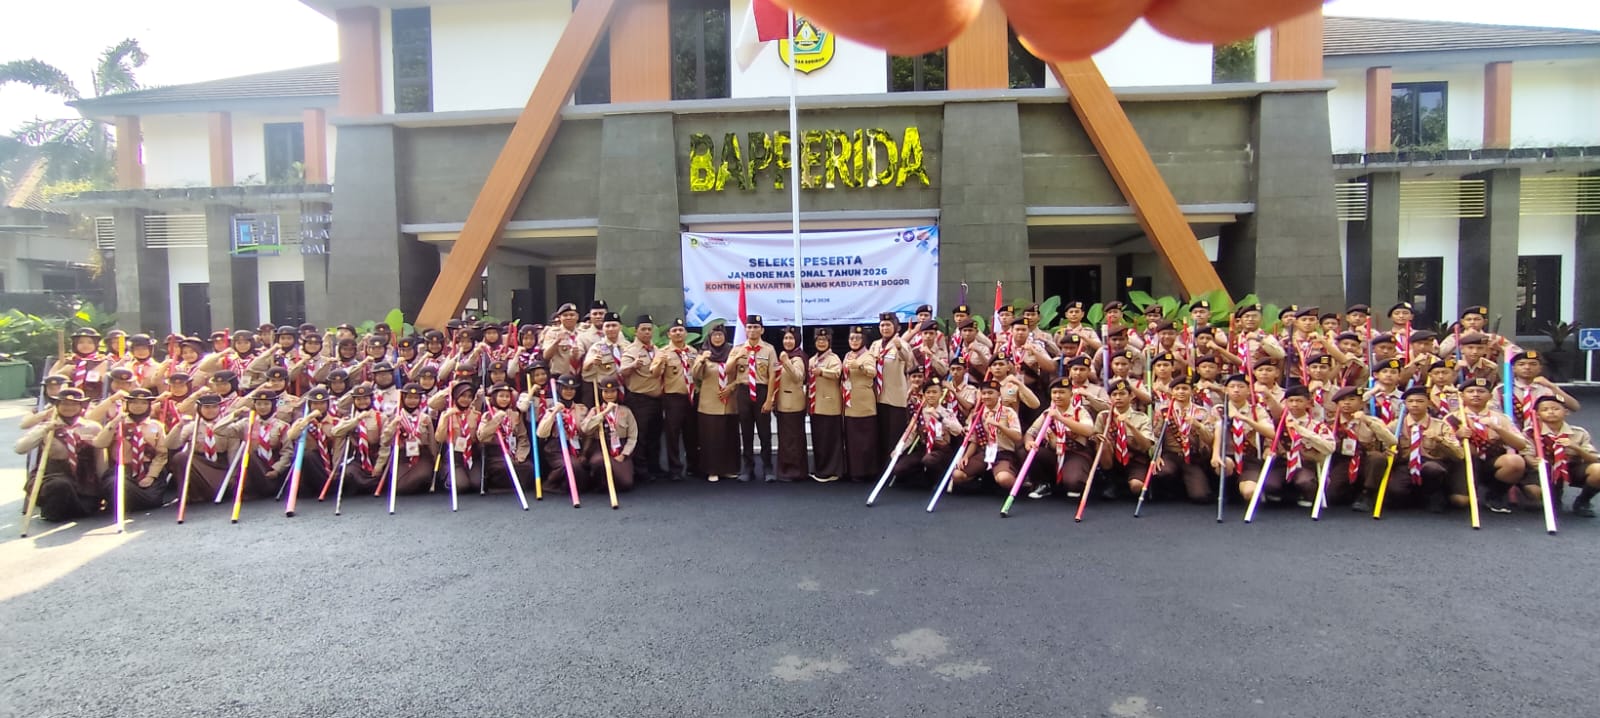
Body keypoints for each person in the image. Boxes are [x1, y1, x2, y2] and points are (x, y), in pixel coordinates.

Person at [14, 388, 105, 521]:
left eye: (74, 404)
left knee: (86, 509)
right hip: (52, 477)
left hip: (84, 481)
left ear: (81, 406)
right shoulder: (46, 427)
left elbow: (100, 459)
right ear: (57, 405)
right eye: (64, 404)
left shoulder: (92, 427)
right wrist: (44, 429)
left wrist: (102, 482)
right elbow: (20, 448)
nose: (69, 408)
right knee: (60, 485)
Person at [1453, 377, 1532, 514]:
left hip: (1493, 462)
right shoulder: (1452, 418)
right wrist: (1457, 436)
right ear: (1462, 396)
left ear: (1489, 396)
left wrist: (1498, 429)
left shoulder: (1501, 418)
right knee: (1461, 501)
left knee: (1515, 462)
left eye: (1481, 391)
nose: (1476, 394)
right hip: (1465, 463)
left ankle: (1495, 493)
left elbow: (1521, 445)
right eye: (1470, 391)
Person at [1380, 386, 1463, 513]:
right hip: (1405, 464)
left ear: (1428, 403)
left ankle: (1433, 494)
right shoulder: (1395, 426)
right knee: (1395, 492)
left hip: (1432, 463)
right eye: (1411, 401)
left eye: (1420, 401)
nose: (1415, 405)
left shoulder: (1441, 425)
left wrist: (1439, 440)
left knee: (1432, 470)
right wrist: (1388, 452)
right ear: (1405, 404)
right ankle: (1414, 496)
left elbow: (1459, 454)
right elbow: (1384, 447)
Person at [92, 387, 170, 513]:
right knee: (117, 484)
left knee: (152, 500)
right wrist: (115, 422)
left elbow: (162, 454)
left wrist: (151, 476)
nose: (138, 406)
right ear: (127, 404)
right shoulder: (118, 424)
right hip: (123, 469)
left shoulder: (156, 426)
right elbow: (99, 443)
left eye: (143, 403)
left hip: (147, 468)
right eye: (134, 402)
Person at [1024, 377, 1099, 499]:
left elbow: (1088, 430)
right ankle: (1043, 484)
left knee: (1074, 484)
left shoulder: (1079, 411)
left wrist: (1061, 418)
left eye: (1062, 392)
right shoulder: (1047, 413)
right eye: (1055, 393)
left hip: (1075, 453)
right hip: (1054, 453)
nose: (1058, 396)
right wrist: (1029, 442)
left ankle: (1075, 481)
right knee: (1032, 452)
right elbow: (1031, 432)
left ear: (1070, 394)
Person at [1526, 396, 1600, 517]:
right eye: (1545, 409)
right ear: (1537, 414)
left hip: (1571, 467)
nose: (1551, 412)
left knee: (1598, 470)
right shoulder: (1531, 433)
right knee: (1536, 493)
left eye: (1555, 408)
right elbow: (1527, 455)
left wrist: (1576, 447)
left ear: (1566, 412)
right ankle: (1551, 495)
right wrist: (1534, 461)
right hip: (1545, 469)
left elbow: (1594, 459)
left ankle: (1583, 501)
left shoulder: (1578, 432)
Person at [1261, 384, 1333, 509]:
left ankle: (1306, 495)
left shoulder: (1317, 426)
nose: (1294, 404)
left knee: (1305, 482)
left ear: (1308, 403)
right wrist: (1267, 451)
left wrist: (1302, 431)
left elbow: (1330, 447)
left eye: (1299, 401)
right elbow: (1269, 443)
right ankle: (1285, 494)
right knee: (1268, 484)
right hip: (1283, 463)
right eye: (1291, 401)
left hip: (1306, 464)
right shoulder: (1278, 425)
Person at [1149, 373, 1217, 503]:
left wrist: (1198, 426)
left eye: (1185, 388)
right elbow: (1155, 435)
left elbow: (1210, 439)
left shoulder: (1201, 412)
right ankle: (1173, 489)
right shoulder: (1163, 411)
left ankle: (1190, 484)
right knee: (1162, 472)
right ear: (1172, 392)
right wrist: (1156, 455)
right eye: (1177, 389)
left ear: (1191, 391)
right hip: (1171, 454)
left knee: (1200, 497)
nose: (1181, 391)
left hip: (1192, 457)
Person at [950, 378, 1023, 492]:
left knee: (1005, 480)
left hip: (1003, 453)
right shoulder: (977, 415)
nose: (986, 396)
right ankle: (982, 480)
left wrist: (999, 425)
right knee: (957, 475)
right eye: (984, 393)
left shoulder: (1008, 412)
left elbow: (1018, 436)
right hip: (985, 452)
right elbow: (974, 440)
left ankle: (1017, 485)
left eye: (990, 393)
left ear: (998, 394)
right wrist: (966, 456)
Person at [890, 377, 963, 489]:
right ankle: (924, 480)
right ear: (924, 395)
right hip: (924, 448)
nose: (931, 395)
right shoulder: (919, 413)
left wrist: (940, 418)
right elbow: (909, 434)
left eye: (934, 392)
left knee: (929, 460)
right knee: (899, 469)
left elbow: (958, 430)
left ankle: (938, 479)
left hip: (942, 450)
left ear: (940, 394)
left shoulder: (947, 412)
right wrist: (898, 449)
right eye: (928, 392)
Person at [730, 314, 779, 481]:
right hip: (743, 391)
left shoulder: (769, 349)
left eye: (756, 327)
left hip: (762, 391)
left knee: (765, 433)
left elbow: (772, 376)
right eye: (749, 327)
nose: (752, 330)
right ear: (745, 329)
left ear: (762, 330)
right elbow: (728, 370)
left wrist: (769, 399)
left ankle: (768, 468)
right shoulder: (737, 349)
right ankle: (748, 468)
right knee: (747, 431)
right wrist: (736, 357)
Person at [219, 390, 291, 500]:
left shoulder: (282, 426)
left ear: (273, 405)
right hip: (254, 470)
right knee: (249, 454)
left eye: (266, 404)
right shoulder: (246, 424)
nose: (262, 407)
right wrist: (234, 414)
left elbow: (287, 452)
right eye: (259, 404)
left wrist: (277, 470)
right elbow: (219, 430)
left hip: (274, 472)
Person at [620, 314, 666, 482]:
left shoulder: (657, 350)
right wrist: (633, 365)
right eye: (643, 329)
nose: (647, 332)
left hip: (657, 400)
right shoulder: (631, 350)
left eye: (649, 329)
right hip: (639, 400)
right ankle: (641, 470)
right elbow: (622, 371)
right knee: (640, 435)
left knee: (655, 435)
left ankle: (655, 467)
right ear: (636, 331)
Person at [692, 324, 739, 481]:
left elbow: (742, 375)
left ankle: (728, 468)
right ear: (709, 338)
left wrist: (731, 388)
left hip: (729, 402)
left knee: (728, 437)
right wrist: (702, 361)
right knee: (711, 438)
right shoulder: (703, 353)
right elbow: (696, 376)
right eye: (714, 335)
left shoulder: (733, 352)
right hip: (709, 404)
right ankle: (712, 470)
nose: (717, 338)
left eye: (720, 335)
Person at [1097, 378, 1155, 500]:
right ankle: (1110, 482)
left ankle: (1136, 483)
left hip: (1135, 460)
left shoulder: (1142, 418)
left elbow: (1146, 445)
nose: (1118, 397)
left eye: (1122, 394)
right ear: (1110, 398)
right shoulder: (1103, 416)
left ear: (1131, 396)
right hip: (1112, 461)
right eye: (1114, 394)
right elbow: (1094, 437)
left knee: (1136, 487)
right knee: (1103, 444)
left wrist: (1131, 426)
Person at [870, 312, 914, 466]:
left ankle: (893, 467)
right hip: (877, 396)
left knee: (894, 434)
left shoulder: (902, 343)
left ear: (895, 327)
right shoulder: (875, 344)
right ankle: (880, 466)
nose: (885, 328)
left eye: (888, 325)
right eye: (882, 325)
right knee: (879, 433)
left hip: (895, 398)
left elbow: (908, 359)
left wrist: (899, 347)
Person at [580, 377, 638, 493]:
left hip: (619, 447)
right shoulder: (595, 411)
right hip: (600, 446)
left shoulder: (625, 411)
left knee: (626, 483)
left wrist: (624, 454)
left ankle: (613, 480)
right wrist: (604, 413)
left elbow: (633, 436)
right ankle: (600, 485)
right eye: (606, 391)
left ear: (617, 392)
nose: (609, 394)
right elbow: (585, 429)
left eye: (612, 391)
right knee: (598, 462)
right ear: (601, 393)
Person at [378, 383, 438, 495]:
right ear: (403, 398)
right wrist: (393, 425)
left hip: (421, 455)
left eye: (416, 398)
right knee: (399, 488)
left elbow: (431, 442)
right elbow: (385, 441)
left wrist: (434, 459)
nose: (412, 401)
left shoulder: (425, 418)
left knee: (422, 475)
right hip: (402, 455)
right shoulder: (394, 417)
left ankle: (421, 483)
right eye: (409, 397)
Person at [535, 375, 591, 492]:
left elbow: (587, 434)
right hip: (556, 447)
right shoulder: (551, 408)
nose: (569, 392)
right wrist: (554, 413)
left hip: (576, 446)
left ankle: (567, 486)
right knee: (572, 466)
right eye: (565, 388)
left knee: (582, 471)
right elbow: (541, 433)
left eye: (572, 389)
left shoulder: (582, 409)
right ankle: (550, 483)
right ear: (559, 389)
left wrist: (584, 453)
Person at [281, 386, 340, 498]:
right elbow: (291, 435)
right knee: (307, 456)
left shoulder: (336, 422)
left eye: (322, 403)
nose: (319, 407)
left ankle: (331, 484)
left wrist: (335, 469)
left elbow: (338, 448)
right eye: (315, 404)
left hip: (330, 460)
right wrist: (308, 419)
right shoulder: (302, 422)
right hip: (312, 462)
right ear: (309, 405)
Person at [476, 383, 534, 494]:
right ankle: (500, 487)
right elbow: (481, 436)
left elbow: (523, 437)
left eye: (507, 396)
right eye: (501, 396)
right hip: (496, 452)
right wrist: (496, 420)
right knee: (502, 468)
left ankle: (516, 485)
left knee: (528, 468)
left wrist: (521, 454)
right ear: (494, 397)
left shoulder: (515, 415)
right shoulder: (488, 415)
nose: (504, 399)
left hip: (513, 451)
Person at [659, 319, 697, 481]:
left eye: (681, 330)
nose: (678, 333)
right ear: (669, 334)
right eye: (674, 330)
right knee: (673, 435)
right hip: (673, 398)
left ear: (686, 333)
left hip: (691, 397)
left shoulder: (693, 352)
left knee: (692, 434)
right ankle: (675, 468)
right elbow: (656, 374)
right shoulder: (663, 352)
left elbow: (700, 375)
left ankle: (693, 466)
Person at [842, 326, 880, 483]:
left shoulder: (868, 355)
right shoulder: (848, 355)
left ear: (863, 340)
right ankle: (853, 470)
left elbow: (873, 372)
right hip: (850, 403)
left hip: (864, 403)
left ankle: (868, 471)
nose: (854, 341)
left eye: (857, 338)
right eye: (852, 338)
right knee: (852, 440)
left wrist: (860, 366)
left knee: (866, 439)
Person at [331, 385, 385, 495]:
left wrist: (379, 465)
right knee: (348, 473)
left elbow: (386, 445)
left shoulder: (381, 417)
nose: (362, 402)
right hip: (359, 457)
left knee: (382, 474)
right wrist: (356, 420)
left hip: (376, 455)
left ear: (371, 399)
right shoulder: (349, 418)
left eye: (365, 398)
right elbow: (336, 432)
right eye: (358, 399)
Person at [808, 328, 846, 482]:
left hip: (830, 404)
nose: (821, 343)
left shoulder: (834, 358)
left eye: (824, 340)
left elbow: (838, 373)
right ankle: (821, 469)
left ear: (829, 342)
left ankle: (833, 471)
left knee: (830, 439)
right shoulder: (812, 359)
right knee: (819, 439)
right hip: (815, 404)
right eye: (818, 340)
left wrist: (822, 371)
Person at [772, 327, 809, 482]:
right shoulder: (785, 356)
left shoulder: (798, 357)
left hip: (793, 404)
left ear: (797, 341)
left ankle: (795, 471)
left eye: (791, 338)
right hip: (782, 403)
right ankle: (785, 470)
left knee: (793, 439)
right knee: (785, 439)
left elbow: (798, 377)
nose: (788, 341)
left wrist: (786, 362)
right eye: (786, 338)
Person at [434, 381, 485, 494]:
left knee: (477, 484)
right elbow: (439, 438)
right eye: (462, 396)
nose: (465, 399)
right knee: (461, 486)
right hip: (455, 455)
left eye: (469, 397)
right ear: (456, 397)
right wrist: (446, 417)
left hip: (471, 454)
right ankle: (447, 475)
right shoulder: (447, 415)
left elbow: (479, 438)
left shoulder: (476, 415)